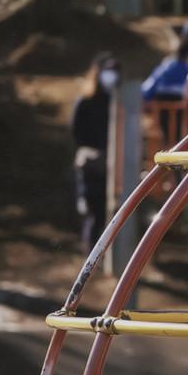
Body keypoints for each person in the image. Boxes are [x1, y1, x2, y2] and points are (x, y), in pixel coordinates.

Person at [71, 52, 119, 247]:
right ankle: (91, 252)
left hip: (110, 161)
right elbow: (76, 130)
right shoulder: (86, 101)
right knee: (91, 208)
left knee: (105, 210)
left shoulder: (115, 101)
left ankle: (100, 250)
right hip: (90, 161)